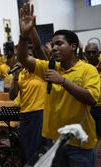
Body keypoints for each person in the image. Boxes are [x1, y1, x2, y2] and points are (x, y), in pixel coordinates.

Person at [17, 3, 100, 166]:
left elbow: (91, 98)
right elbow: (23, 59)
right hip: (54, 141)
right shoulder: (50, 67)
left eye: (59, 44)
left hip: (80, 143)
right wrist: (24, 35)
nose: (54, 48)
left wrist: (62, 81)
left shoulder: (88, 70)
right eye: (52, 45)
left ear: (73, 47)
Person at [9, 27, 47, 166]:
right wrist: (15, 77)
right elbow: (12, 96)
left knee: (38, 147)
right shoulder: (21, 74)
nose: (26, 60)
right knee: (26, 147)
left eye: (28, 57)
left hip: (40, 113)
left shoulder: (41, 72)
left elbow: (39, 48)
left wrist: (29, 30)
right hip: (25, 115)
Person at [85, 42, 101, 139]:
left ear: (98, 53)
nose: (91, 55)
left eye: (94, 52)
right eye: (88, 53)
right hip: (87, 108)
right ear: (85, 54)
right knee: (89, 137)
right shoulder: (82, 68)